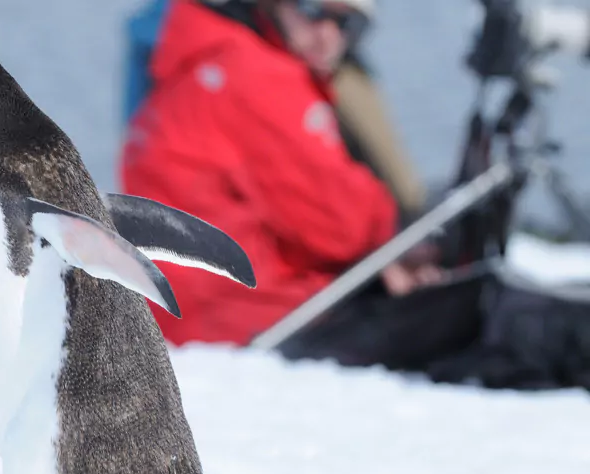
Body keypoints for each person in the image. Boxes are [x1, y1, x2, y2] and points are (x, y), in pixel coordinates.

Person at [120, 0, 590, 389]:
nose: (329, 34)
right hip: (253, 324)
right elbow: (340, 223)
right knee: (481, 311)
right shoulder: (251, 74)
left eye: (349, 23)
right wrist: (402, 243)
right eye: (313, 10)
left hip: (214, 315)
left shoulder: (204, 62)